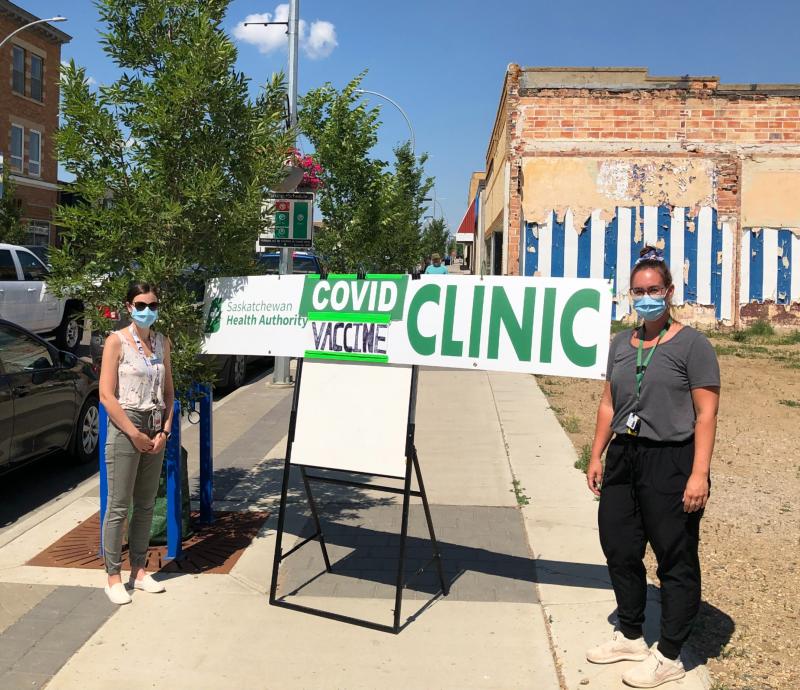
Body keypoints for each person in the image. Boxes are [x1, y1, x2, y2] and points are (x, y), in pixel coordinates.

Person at [584, 246, 720, 688]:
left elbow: (706, 414)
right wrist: (596, 453)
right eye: (639, 291)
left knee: (674, 556)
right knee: (619, 545)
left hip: (671, 458)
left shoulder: (693, 346)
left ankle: (671, 653)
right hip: (625, 454)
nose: (646, 297)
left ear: (669, 292)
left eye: (654, 290)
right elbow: (609, 403)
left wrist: (699, 473)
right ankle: (630, 633)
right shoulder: (621, 344)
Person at [99, 282, 175, 605]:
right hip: (126, 425)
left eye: (153, 305)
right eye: (141, 305)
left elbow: (169, 390)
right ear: (129, 307)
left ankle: (139, 569)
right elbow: (105, 394)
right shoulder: (116, 342)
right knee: (119, 505)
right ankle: (113, 575)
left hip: (155, 425)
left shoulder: (162, 343)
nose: (147, 311)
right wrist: (133, 432)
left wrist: (166, 429)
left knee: (145, 502)